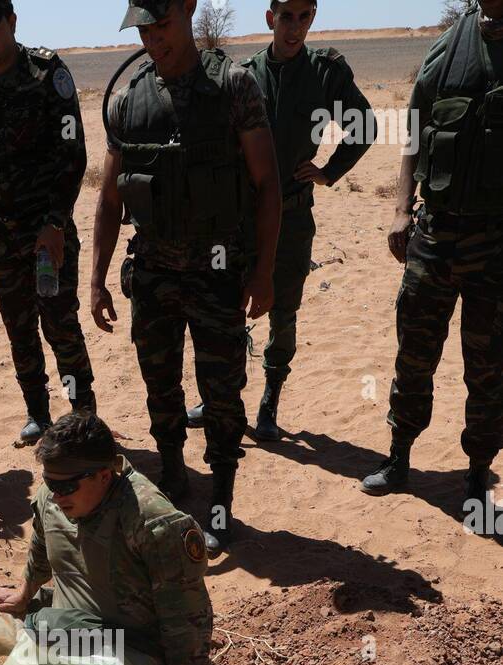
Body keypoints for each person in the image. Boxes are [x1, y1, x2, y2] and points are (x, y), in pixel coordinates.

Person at [92, 0, 281, 559]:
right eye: (143, 29)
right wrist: (97, 279)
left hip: (219, 272)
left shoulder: (234, 88)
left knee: (222, 392)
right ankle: (173, 475)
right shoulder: (129, 101)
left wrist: (264, 273)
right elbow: (108, 197)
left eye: (163, 25)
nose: (153, 39)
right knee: (160, 383)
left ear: (188, 10)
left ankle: (220, 496)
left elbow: (267, 185)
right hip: (151, 273)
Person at [187, 0, 377, 440]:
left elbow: (364, 124)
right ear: (270, 18)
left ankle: (270, 400)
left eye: (304, 17)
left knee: (283, 310)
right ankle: (223, 393)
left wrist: (329, 171)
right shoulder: (246, 73)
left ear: (312, 18)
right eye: (286, 17)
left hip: (292, 215)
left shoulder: (326, 73)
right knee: (226, 305)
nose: (295, 27)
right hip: (241, 218)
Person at [0, 411, 213, 665]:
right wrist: (24, 593)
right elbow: (42, 546)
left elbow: (185, 610)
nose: (57, 495)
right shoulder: (54, 496)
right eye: (50, 482)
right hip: (67, 631)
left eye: (67, 486)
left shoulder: (153, 522)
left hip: (131, 650)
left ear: (104, 475)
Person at [362, 0, 503, 533]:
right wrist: (401, 208)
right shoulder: (446, 51)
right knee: (414, 353)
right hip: (435, 236)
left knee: (488, 367)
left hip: (496, 246)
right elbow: (414, 135)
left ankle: (477, 471)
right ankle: (399, 458)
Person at [0, 0, 96, 446]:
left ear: (12, 22)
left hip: (45, 236)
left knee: (59, 325)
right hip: (0, 236)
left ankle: (82, 416)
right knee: (19, 328)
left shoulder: (46, 74)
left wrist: (56, 222)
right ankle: (38, 414)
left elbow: (72, 154)